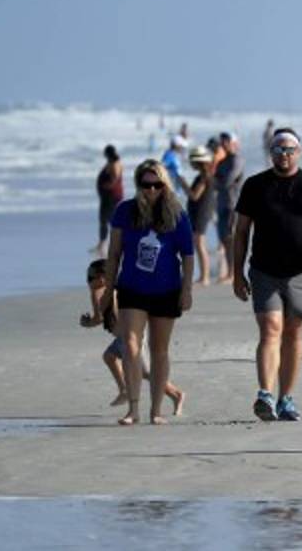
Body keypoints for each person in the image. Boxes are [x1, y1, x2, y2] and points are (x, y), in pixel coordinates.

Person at [233, 129, 302, 422]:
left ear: (299, 152)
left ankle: (286, 399)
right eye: (278, 149)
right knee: (270, 328)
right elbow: (241, 232)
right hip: (263, 270)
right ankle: (265, 395)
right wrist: (237, 273)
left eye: (290, 149)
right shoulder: (255, 185)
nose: (284, 154)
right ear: (271, 152)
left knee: (293, 332)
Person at [99, 159, 194, 426]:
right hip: (132, 288)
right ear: (138, 185)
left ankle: (156, 410)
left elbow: (187, 255)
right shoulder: (125, 211)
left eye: (157, 185)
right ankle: (133, 409)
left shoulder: (177, 214)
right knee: (130, 344)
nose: (151, 190)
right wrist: (108, 290)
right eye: (146, 184)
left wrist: (187, 289)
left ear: (165, 185)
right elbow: (114, 253)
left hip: (167, 289)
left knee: (159, 350)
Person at [81, 259, 185, 413]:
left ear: (102, 278)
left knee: (145, 372)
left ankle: (176, 394)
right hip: (126, 336)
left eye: (91, 277)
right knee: (109, 356)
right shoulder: (116, 288)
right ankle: (124, 389)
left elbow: (98, 318)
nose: (89, 281)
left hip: (130, 337)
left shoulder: (98, 293)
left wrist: (86, 323)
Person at [213, 132, 245, 284]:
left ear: (233, 143)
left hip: (233, 204)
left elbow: (226, 181)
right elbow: (215, 182)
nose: (223, 145)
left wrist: (216, 181)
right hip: (221, 203)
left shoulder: (237, 160)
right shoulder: (222, 161)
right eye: (222, 142)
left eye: (226, 141)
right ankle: (229, 272)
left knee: (231, 238)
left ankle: (233, 273)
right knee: (224, 239)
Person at [186, 145, 217, 285]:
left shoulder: (204, 177)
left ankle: (205, 277)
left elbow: (194, 196)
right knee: (199, 243)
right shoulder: (204, 176)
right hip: (200, 212)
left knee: (199, 243)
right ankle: (203, 276)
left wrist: (182, 183)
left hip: (201, 212)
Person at [93, 144, 124, 257]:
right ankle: (102, 245)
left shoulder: (115, 163)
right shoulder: (112, 162)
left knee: (109, 220)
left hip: (111, 197)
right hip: (109, 197)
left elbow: (115, 178)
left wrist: (108, 186)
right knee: (106, 220)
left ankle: (109, 246)